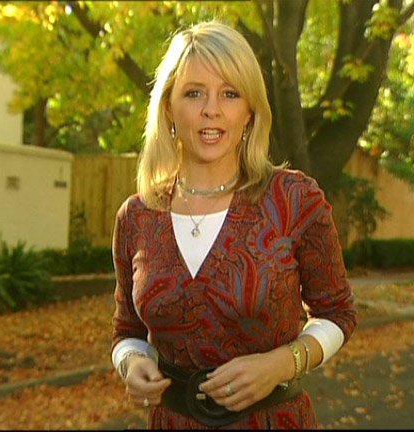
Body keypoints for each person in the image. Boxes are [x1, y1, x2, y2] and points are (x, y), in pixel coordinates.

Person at [110, 21, 357, 429]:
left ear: (250, 111)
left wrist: (282, 363)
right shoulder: (138, 215)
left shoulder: (293, 200)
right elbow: (127, 331)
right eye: (194, 93)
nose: (212, 109)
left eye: (230, 93)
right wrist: (131, 362)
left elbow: (338, 312)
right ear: (168, 107)